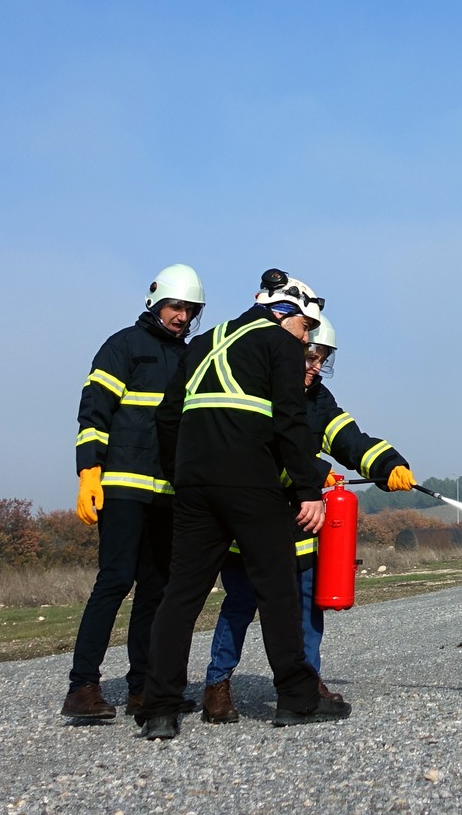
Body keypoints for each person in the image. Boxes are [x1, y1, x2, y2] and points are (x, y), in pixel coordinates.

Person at [137, 270, 350, 737]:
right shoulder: (280, 345)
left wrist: (181, 474)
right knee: (277, 592)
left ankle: (160, 709)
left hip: (194, 488)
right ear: (286, 313)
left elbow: (168, 416)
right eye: (306, 328)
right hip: (251, 485)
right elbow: (291, 421)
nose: (307, 339)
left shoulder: (203, 343)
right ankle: (296, 698)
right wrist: (306, 489)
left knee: (181, 596)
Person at [199, 313, 418, 722]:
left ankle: (306, 681)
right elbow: (264, 452)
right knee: (240, 604)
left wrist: (388, 464)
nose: (316, 367)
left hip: (300, 527)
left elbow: (349, 440)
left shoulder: (319, 400)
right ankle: (217, 686)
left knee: (305, 607)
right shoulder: (260, 387)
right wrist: (317, 473)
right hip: (249, 525)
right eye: (312, 355)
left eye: (324, 359)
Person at [60, 264, 203, 723]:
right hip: (122, 486)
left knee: (156, 591)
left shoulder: (188, 358)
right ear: (156, 302)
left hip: (165, 492)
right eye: (176, 306)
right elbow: (93, 412)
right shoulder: (123, 346)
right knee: (116, 580)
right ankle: (82, 686)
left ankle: (143, 687)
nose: (182, 316)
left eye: (190, 310)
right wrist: (89, 472)